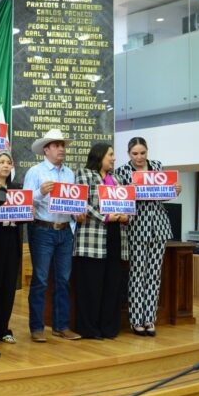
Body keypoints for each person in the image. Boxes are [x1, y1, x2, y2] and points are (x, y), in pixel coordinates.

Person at [115, 137, 182, 337]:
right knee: (137, 274)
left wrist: (175, 191)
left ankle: (149, 319)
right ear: (128, 154)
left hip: (159, 226)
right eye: (135, 153)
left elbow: (163, 195)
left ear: (147, 152)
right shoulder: (122, 172)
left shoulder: (157, 167)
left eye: (142, 153)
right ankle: (136, 320)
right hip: (136, 226)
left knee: (154, 274)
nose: (139, 157)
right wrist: (129, 192)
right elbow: (118, 200)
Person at [22, 129, 82, 343]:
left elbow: (72, 201)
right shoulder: (35, 172)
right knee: (40, 280)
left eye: (62, 145)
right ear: (46, 150)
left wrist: (78, 212)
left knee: (63, 280)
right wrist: (40, 193)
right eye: (56, 145)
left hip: (65, 230)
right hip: (43, 230)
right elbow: (24, 201)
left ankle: (61, 325)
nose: (61, 149)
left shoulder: (69, 174)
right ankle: (37, 327)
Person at [74, 143, 129, 339]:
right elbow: (82, 202)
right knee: (91, 285)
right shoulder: (84, 174)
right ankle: (89, 328)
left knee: (112, 284)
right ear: (99, 155)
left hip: (116, 235)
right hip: (92, 237)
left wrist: (126, 215)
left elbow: (126, 203)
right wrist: (104, 217)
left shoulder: (118, 179)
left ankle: (109, 327)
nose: (114, 158)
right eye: (110, 155)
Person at [0, 151, 24, 344]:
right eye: (1, 162)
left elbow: (23, 218)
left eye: (8, 162)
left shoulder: (17, 189)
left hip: (12, 238)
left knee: (9, 285)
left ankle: (4, 328)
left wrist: (29, 212)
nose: (5, 165)